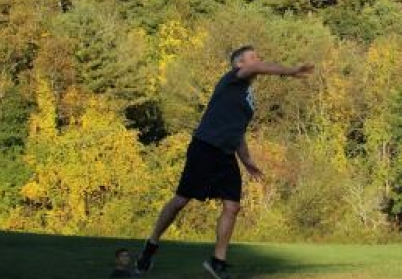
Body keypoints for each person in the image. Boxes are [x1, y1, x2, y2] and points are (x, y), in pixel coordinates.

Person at [135, 46, 314, 279]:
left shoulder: (247, 98)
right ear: (238, 65)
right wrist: (290, 71)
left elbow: (237, 131)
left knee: (232, 206)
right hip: (205, 147)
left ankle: (217, 261)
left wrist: (247, 160)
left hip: (226, 154)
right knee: (181, 200)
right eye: (252, 58)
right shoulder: (232, 79)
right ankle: (151, 245)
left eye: (256, 58)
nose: (257, 61)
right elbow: (259, 67)